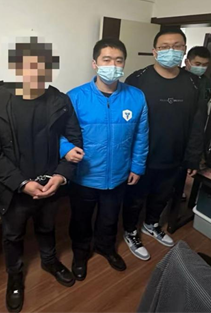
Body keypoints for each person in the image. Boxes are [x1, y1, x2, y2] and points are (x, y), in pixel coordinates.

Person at [0, 37, 83, 313]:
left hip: (50, 184)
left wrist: (61, 176)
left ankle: (49, 261)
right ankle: (15, 276)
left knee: (47, 227)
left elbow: (74, 142)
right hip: (12, 189)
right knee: (12, 235)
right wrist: (21, 183)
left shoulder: (59, 101)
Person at [60, 38, 148, 279]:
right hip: (84, 175)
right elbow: (57, 132)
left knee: (109, 218)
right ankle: (80, 253)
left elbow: (141, 135)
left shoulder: (136, 97)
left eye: (118, 60)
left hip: (119, 174)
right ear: (95, 63)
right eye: (106, 60)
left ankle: (105, 247)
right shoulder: (75, 97)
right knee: (80, 219)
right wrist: (65, 149)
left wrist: (137, 166)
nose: (113, 65)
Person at [122, 28, 207, 261]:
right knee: (135, 198)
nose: (171, 50)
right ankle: (130, 230)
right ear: (154, 51)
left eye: (177, 46)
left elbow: (198, 121)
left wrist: (193, 156)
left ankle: (151, 224)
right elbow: (126, 120)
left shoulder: (193, 83)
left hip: (175, 155)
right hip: (142, 156)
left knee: (163, 195)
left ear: (184, 50)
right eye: (164, 47)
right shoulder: (137, 79)